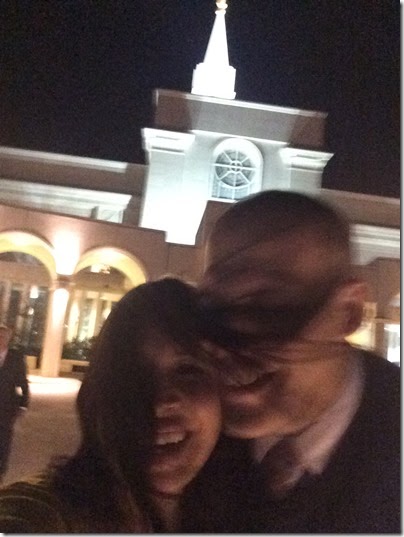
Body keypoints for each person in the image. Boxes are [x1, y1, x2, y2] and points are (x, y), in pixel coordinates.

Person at [199, 190, 400, 533]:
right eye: (211, 307)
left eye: (264, 305)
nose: (220, 345)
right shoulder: (192, 438)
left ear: (348, 312)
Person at [0, 278, 251, 533]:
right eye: (133, 374)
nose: (160, 403)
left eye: (187, 370)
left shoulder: (244, 510)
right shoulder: (46, 514)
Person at [0, 325, 29, 481]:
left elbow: (23, 383)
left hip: (7, 406)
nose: (1, 340)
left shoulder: (16, 358)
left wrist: (24, 404)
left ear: (8, 339)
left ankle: (2, 468)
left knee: (4, 437)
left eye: (3, 337)